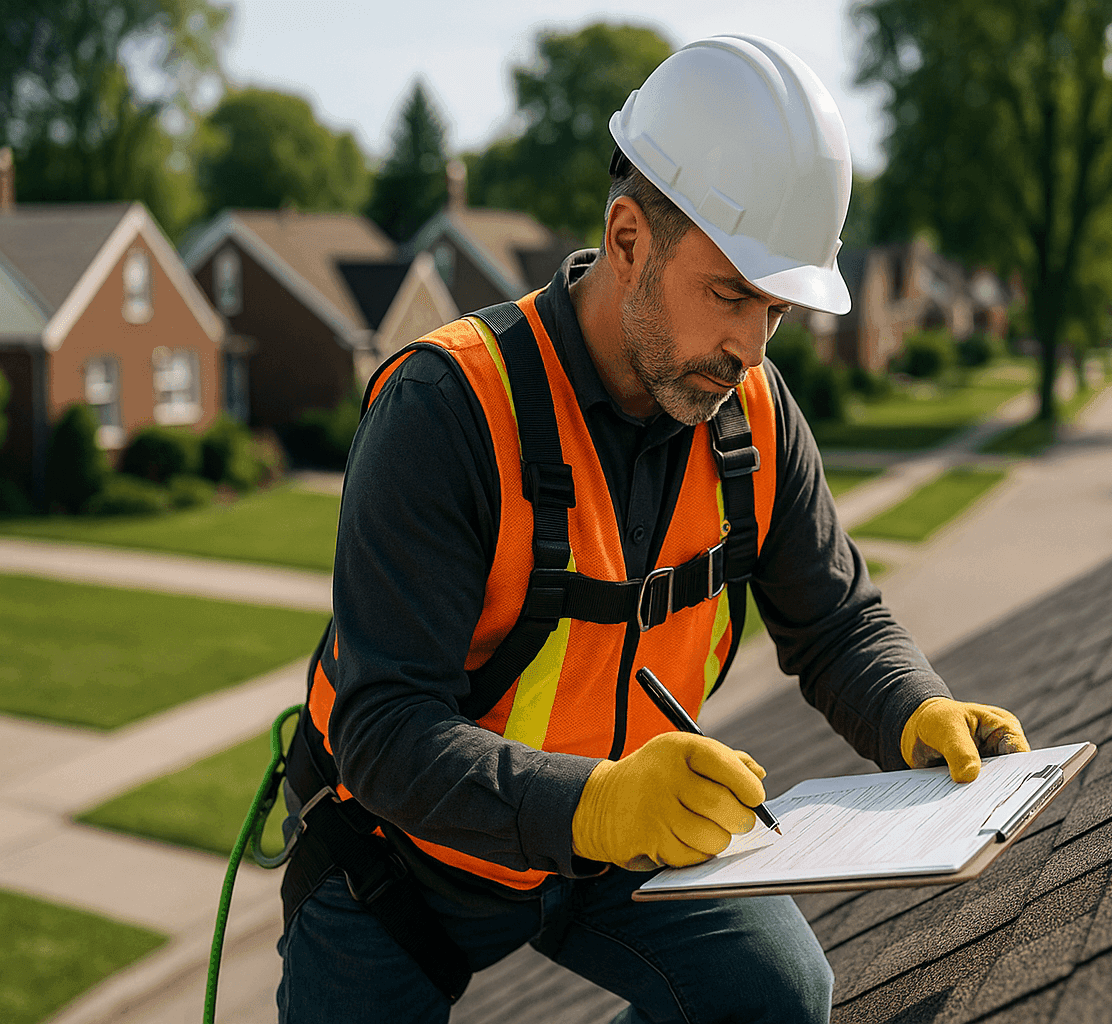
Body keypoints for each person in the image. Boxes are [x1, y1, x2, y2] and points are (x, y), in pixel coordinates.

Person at [275, 34, 1028, 1024]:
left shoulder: (751, 410)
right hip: (399, 860)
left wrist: (912, 713)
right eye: (731, 294)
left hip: (619, 835)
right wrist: (597, 805)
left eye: (778, 309)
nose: (753, 346)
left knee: (777, 1000)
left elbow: (835, 620)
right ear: (629, 238)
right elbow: (383, 732)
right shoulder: (447, 408)